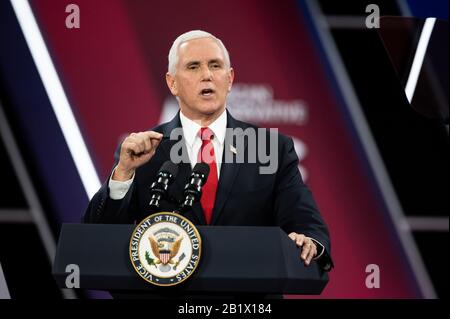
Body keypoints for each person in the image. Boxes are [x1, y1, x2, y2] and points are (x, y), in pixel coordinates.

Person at [84, 30, 333, 272]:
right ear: (172, 83)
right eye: (193, 67)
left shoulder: (273, 149)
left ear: (230, 78)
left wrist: (309, 240)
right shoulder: (145, 151)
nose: (207, 75)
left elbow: (307, 222)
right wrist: (123, 173)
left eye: (215, 66)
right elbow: (98, 238)